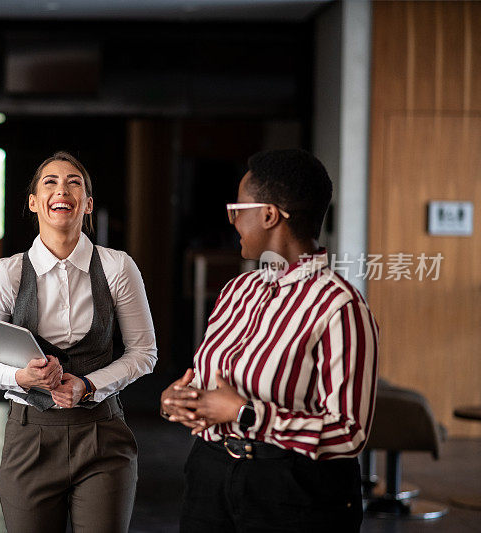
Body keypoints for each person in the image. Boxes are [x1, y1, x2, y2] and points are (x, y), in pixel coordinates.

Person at [161, 149, 378, 532]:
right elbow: (209, 383)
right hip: (209, 473)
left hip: (293, 489)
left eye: (237, 209)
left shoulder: (340, 305)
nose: (231, 220)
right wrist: (178, 401)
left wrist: (245, 414)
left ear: (268, 215)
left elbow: (350, 431)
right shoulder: (236, 290)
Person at [0, 151, 157, 532]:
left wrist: (89, 385)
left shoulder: (118, 266)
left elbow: (144, 353)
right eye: (50, 182)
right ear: (35, 202)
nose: (62, 189)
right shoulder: (7, 274)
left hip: (102, 434)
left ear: (87, 204)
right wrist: (22, 379)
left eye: (74, 182)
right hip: (29, 437)